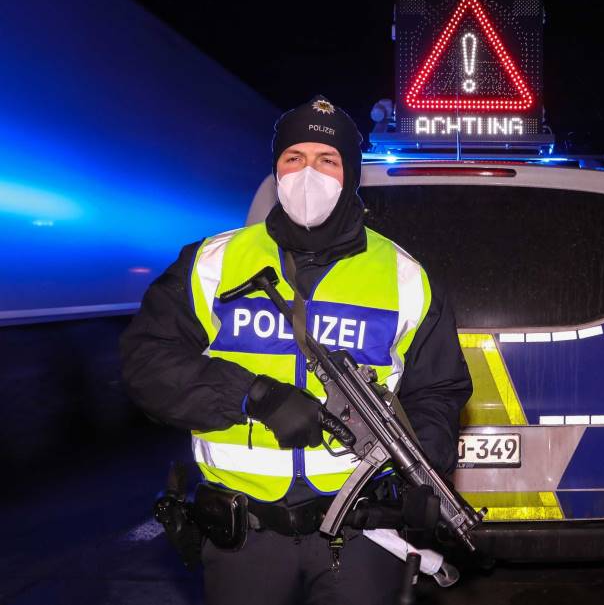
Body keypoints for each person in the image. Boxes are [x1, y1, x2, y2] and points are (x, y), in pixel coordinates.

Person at [120, 95, 472, 605]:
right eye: (294, 158)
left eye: (327, 160)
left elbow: (437, 389)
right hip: (245, 537)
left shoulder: (404, 276)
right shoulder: (213, 263)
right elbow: (146, 362)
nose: (309, 174)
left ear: (351, 173)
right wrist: (255, 397)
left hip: (362, 539)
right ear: (277, 169)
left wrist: (423, 473)